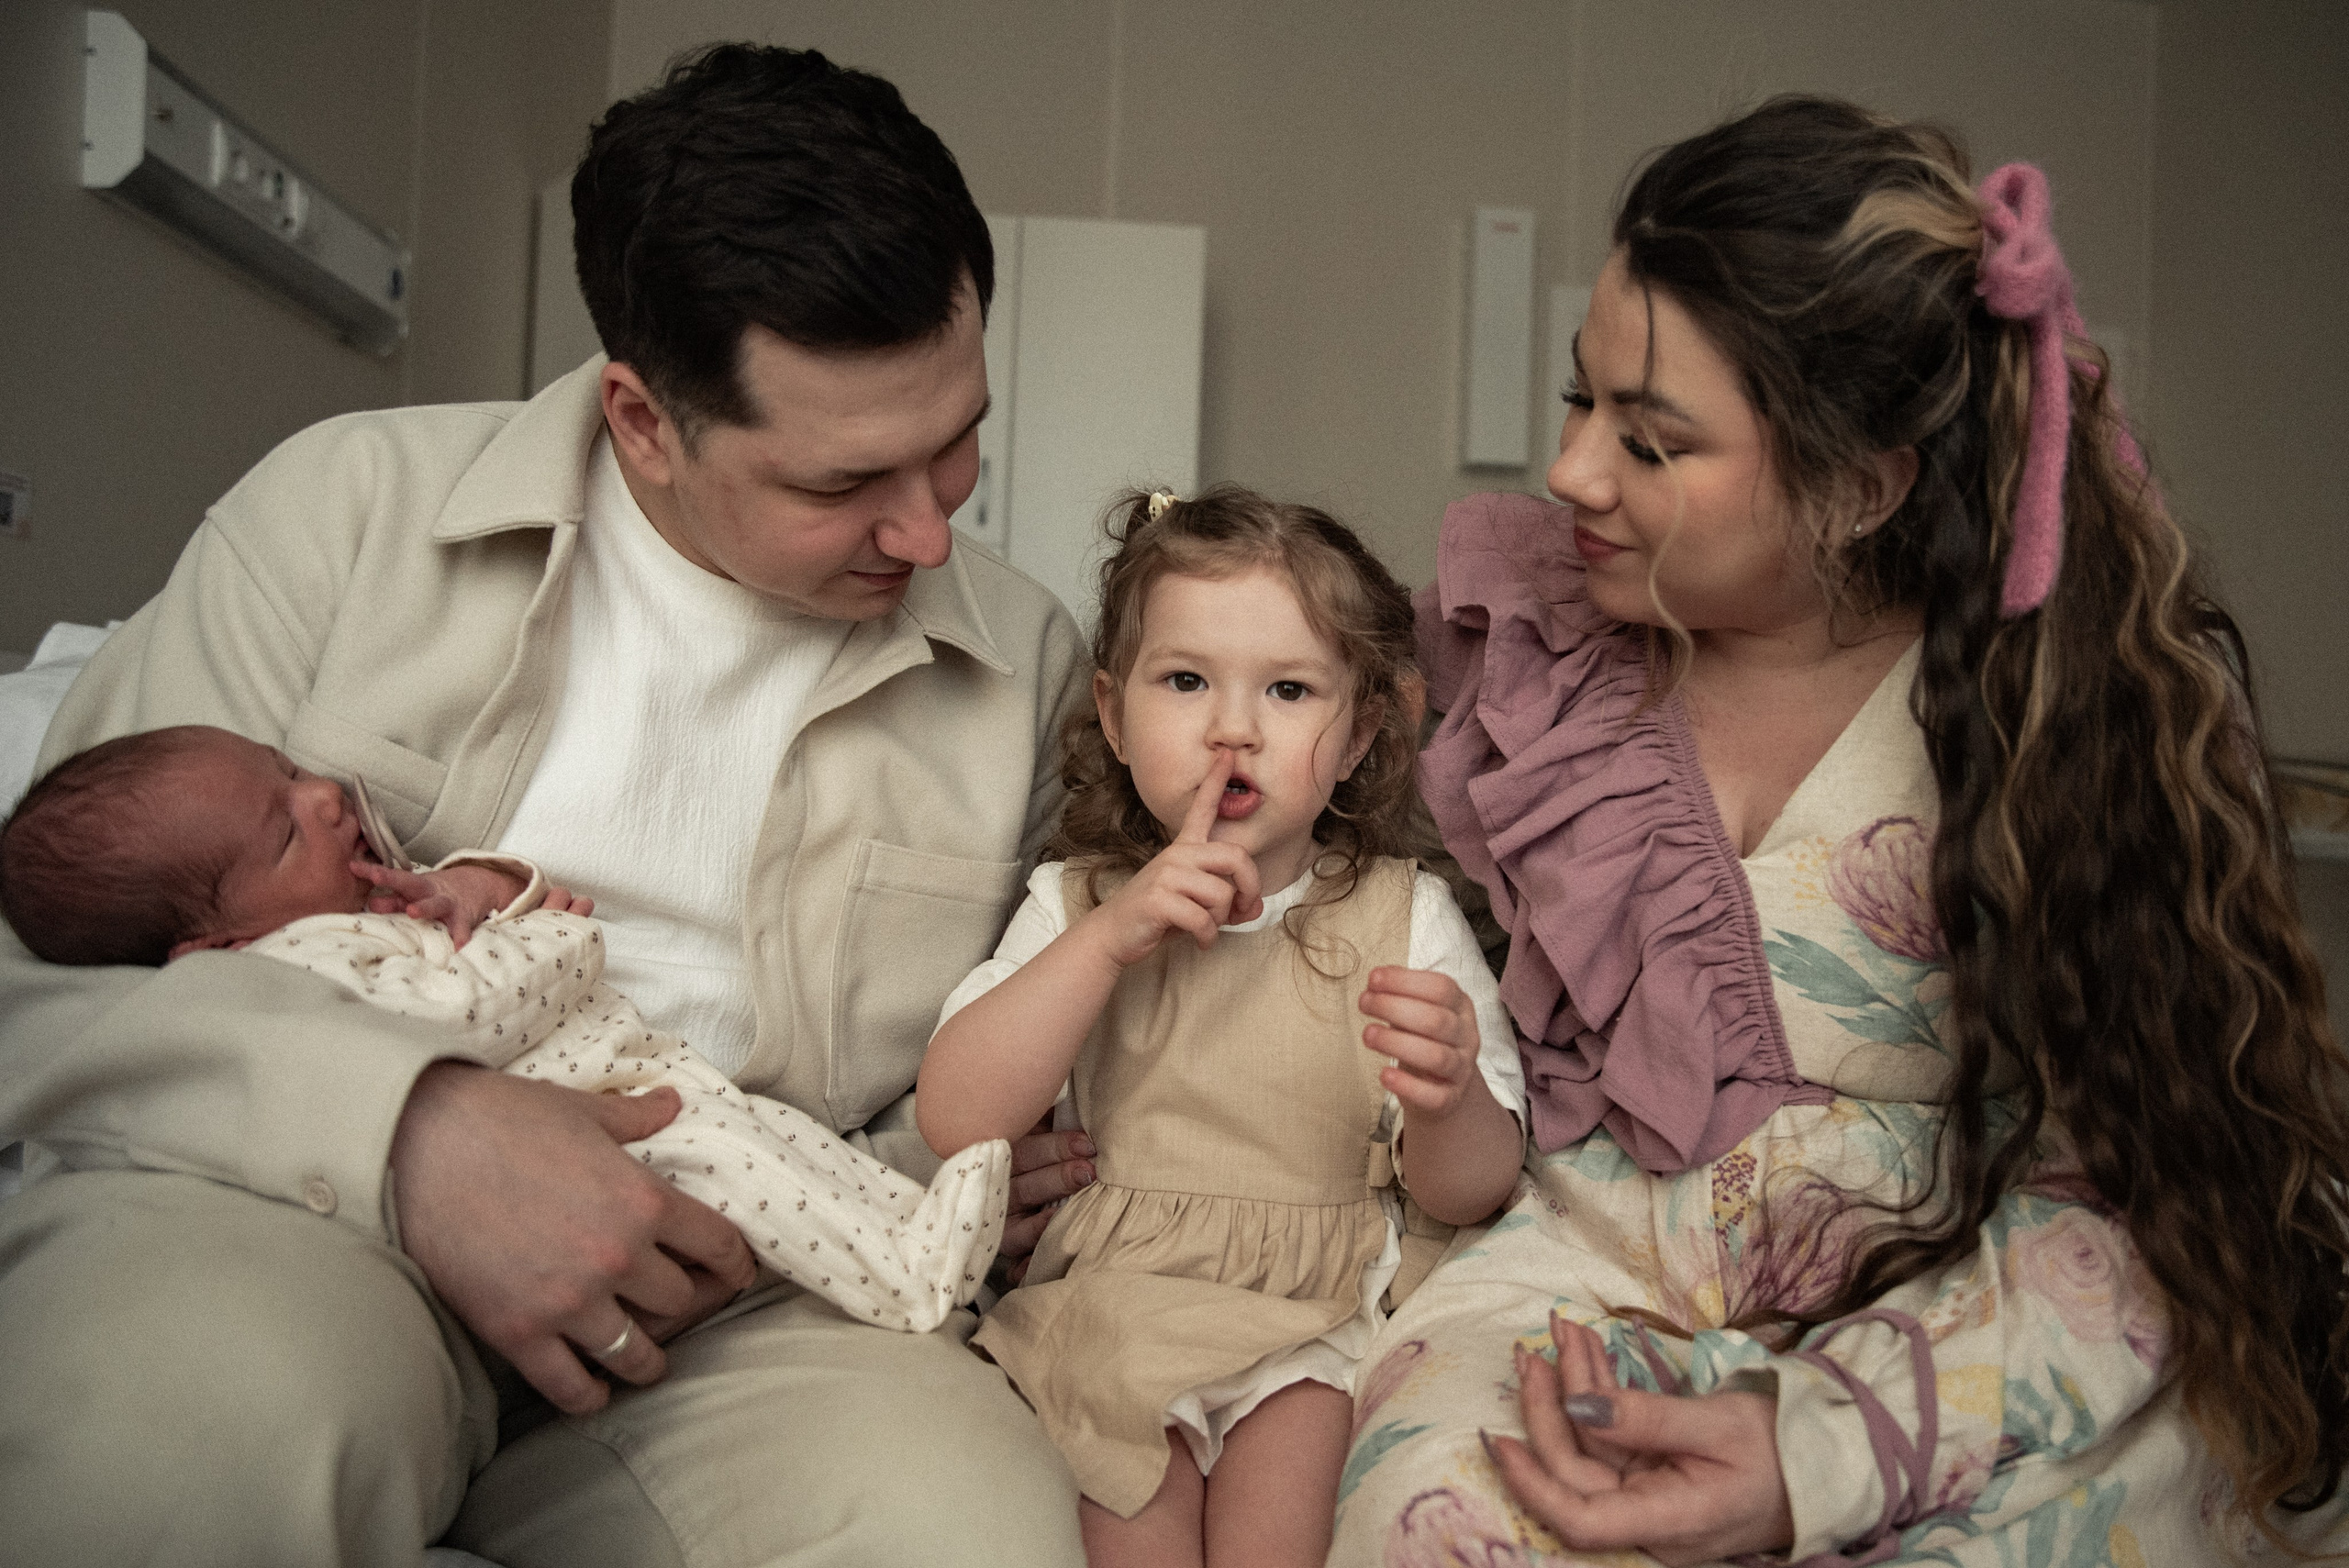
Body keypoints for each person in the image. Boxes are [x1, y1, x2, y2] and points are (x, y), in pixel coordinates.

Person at [0, 43, 1097, 1568]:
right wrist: (415, 1131)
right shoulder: (343, 515)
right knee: (187, 1435)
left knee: (967, 1527)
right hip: (304, 1209)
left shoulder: (1023, 662)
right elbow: (40, 983)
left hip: (742, 1305)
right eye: (847, 481)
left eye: (959, 436)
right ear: (644, 417)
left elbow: (985, 1070)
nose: (928, 525)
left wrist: (950, 1173)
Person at [1331, 97, 2349, 1565]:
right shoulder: (1526, 653)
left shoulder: (2078, 717)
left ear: (1860, 486)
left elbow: (2150, 1204)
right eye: (1580, 396)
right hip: (1585, 1292)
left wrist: (1822, 1448)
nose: (1569, 474)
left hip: (1973, 1313)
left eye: (1653, 438)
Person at [918, 487, 1530, 1567]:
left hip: (1310, 1315)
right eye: (1185, 680)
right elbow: (955, 1115)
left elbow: (1472, 1187)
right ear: (1113, 712)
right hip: (1107, 1310)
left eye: (1289, 690)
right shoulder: (1073, 902)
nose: (1231, 727)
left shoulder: (1403, 915)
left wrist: (1449, 1096)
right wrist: (1107, 940)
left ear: (1359, 736)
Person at [0, 724, 1012, 1332]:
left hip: (638, 1079)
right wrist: (551, 937)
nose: (321, 793)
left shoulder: (357, 914)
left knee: (777, 1144)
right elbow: (470, 1015)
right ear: (212, 946)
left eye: (284, 766)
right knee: (751, 1169)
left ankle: (913, 1222)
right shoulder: (294, 968)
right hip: (595, 1136)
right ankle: (907, 1279)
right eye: (282, 829)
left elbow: (459, 929)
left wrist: (476, 887)